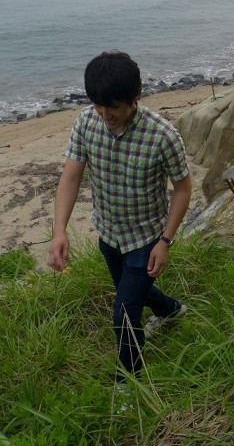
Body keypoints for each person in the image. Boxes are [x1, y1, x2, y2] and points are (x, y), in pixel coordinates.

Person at [48, 51, 192, 382]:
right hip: (109, 236)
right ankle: (170, 310)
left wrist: (166, 241)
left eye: (113, 106)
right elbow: (70, 176)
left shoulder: (162, 135)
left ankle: (129, 382)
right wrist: (60, 231)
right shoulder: (87, 121)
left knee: (124, 313)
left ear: (134, 97)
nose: (105, 113)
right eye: (98, 104)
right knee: (132, 292)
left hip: (146, 239)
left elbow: (183, 189)